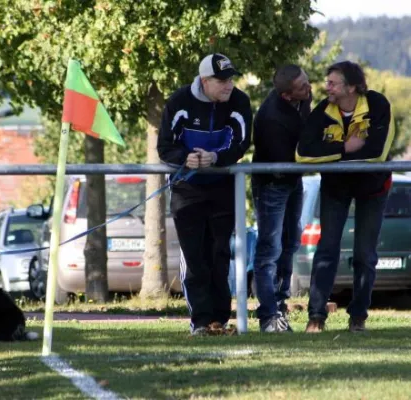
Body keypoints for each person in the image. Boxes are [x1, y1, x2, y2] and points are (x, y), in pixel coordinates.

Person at [157, 53, 252, 336]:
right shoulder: (178, 102)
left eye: (231, 79)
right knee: (195, 257)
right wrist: (186, 158)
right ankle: (200, 320)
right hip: (187, 190)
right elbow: (165, 147)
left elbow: (241, 142)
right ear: (204, 80)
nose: (229, 86)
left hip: (223, 188)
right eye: (222, 81)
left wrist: (215, 158)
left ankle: (219, 320)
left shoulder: (239, 102)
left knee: (220, 254)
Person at [296, 61, 394, 333]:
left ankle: (358, 317)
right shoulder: (322, 111)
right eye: (327, 83)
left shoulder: (377, 104)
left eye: (333, 83)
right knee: (326, 249)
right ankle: (316, 316)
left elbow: (377, 152)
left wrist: (328, 152)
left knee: (365, 254)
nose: (327, 87)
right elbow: (303, 153)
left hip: (373, 189)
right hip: (335, 189)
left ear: (352, 87)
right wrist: (343, 148)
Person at [251, 64, 312, 333]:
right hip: (272, 184)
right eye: (302, 87)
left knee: (290, 243)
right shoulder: (272, 117)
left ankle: (280, 304)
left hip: (292, 181)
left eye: (306, 81)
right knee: (269, 250)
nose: (308, 87)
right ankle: (268, 314)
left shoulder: (301, 100)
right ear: (288, 95)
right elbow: (299, 150)